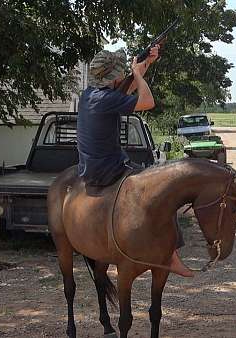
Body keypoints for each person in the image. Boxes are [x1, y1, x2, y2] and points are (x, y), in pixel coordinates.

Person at [77, 46, 194, 277]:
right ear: (113, 77)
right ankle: (172, 256)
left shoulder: (90, 95)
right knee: (163, 194)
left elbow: (126, 88)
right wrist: (138, 73)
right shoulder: (105, 99)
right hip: (110, 170)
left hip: (90, 168)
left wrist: (146, 63)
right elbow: (147, 101)